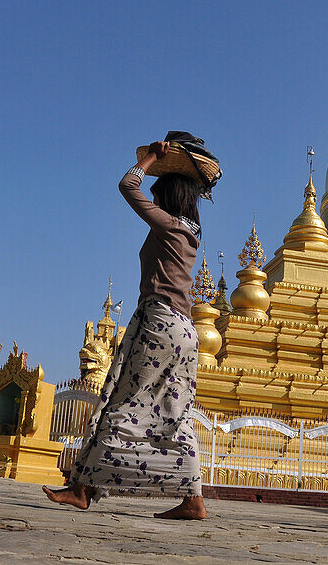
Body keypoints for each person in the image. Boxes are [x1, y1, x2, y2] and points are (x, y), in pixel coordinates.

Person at [44, 136, 219, 520]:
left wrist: (152, 158)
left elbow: (128, 186)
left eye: (160, 194)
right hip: (183, 330)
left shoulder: (171, 226)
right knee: (175, 412)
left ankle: (83, 489)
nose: (153, 200)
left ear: (170, 196)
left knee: (120, 402)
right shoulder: (189, 231)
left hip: (158, 323)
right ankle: (193, 500)